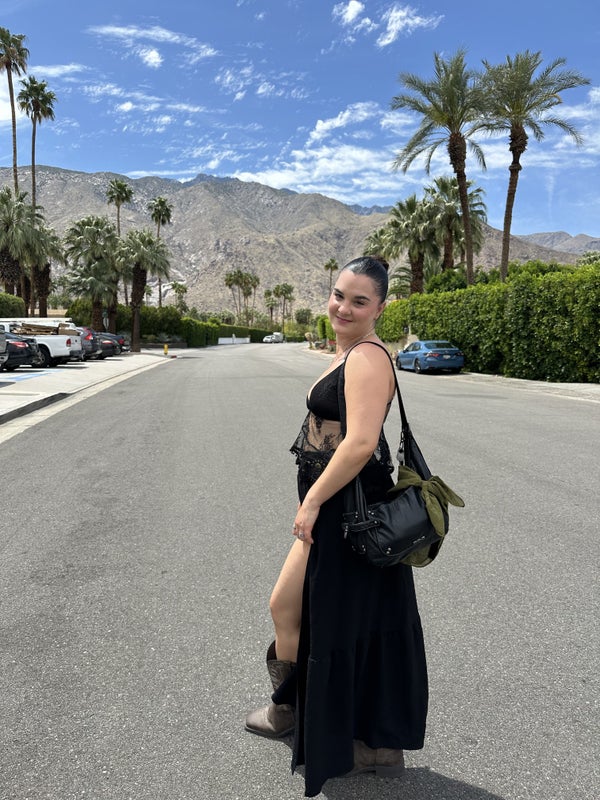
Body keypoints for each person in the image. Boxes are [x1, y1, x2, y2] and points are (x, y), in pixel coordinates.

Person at [245, 256, 428, 797]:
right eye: (338, 295)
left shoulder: (368, 357)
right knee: (290, 608)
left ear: (380, 307)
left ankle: (370, 743)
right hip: (334, 506)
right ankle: (292, 709)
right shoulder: (348, 350)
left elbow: (361, 443)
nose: (343, 308)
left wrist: (312, 503)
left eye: (359, 301)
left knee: (344, 622)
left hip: (346, 510)